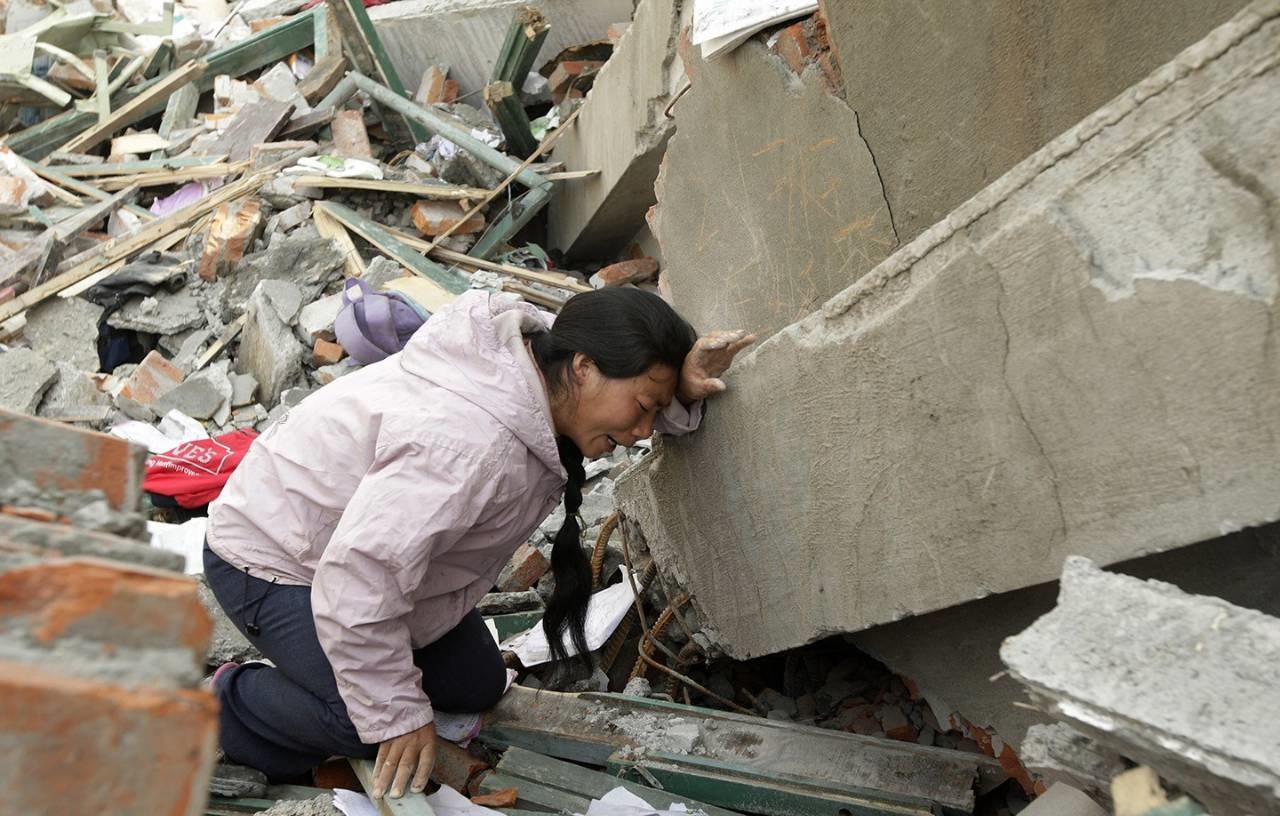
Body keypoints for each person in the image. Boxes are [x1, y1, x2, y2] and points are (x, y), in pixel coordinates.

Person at [203, 286, 754, 800]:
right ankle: (227, 706)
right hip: (276, 558)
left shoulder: (538, 369)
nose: (642, 432)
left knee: (476, 684)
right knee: (367, 721)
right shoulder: (468, 446)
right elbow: (357, 577)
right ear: (584, 368)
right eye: (643, 408)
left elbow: (383, 561)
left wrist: (675, 388)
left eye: (654, 413)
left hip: (373, 562)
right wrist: (398, 715)